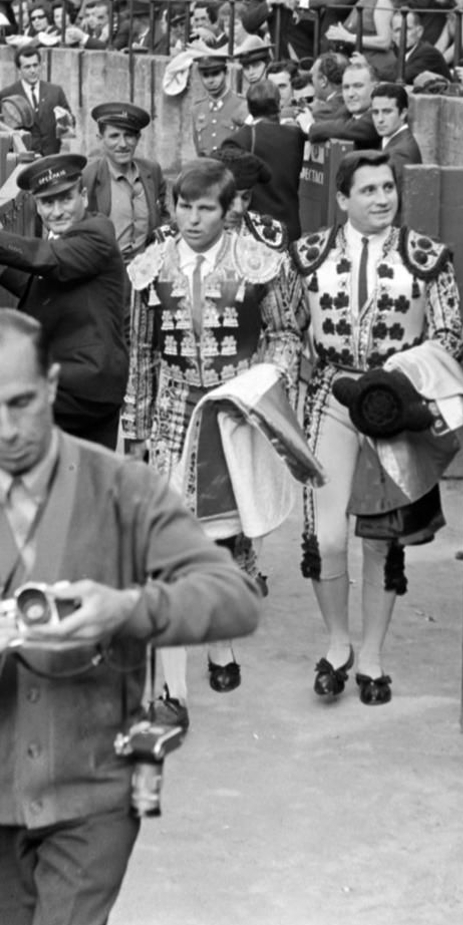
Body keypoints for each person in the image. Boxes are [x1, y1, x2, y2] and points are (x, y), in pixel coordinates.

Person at [0, 308, 262, 925]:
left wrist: (127, 609)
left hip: (97, 791)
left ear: (54, 386)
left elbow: (236, 598)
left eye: (22, 402)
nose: (7, 430)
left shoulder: (125, 490)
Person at [123, 159, 305, 717]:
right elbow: (142, 354)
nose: (193, 218)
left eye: (206, 208)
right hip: (175, 406)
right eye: (184, 206)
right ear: (171, 207)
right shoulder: (149, 267)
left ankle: (220, 641)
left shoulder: (259, 263)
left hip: (234, 407)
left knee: (228, 531)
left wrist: (259, 390)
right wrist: (135, 428)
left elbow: (285, 336)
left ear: (231, 212)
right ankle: (174, 668)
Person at [290, 150, 463, 707]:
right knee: (327, 536)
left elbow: (450, 335)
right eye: (368, 190)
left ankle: (372, 656)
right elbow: (288, 331)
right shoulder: (307, 255)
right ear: (343, 199)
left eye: (388, 188)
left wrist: (399, 379)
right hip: (332, 400)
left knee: (382, 540)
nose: (382, 199)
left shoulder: (427, 257)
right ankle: (337, 643)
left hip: (394, 408)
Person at [0, 154, 129, 450]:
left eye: (65, 199)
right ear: (37, 206)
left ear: (83, 197)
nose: (57, 211)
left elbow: (51, 259)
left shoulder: (98, 233)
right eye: (47, 203)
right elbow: (42, 284)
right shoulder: (63, 238)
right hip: (75, 383)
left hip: (84, 384)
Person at [223, 81, 309, 241]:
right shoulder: (296, 136)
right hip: (290, 229)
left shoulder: (238, 140)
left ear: (249, 107)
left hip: (255, 233)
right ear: (278, 104)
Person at [82, 102, 170, 259]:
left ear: (138, 138)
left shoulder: (152, 171)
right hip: (105, 271)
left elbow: (163, 216)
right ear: (100, 139)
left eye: (129, 135)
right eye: (114, 136)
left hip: (147, 269)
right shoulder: (88, 177)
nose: (122, 144)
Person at [0, 43, 72, 156]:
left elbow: (68, 129)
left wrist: (66, 121)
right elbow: (2, 132)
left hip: (52, 159)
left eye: (35, 65)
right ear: (18, 70)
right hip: (24, 160)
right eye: (27, 67)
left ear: (40, 66)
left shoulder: (55, 92)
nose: (33, 70)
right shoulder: (6, 95)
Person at [191, 49, 250, 157]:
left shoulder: (241, 105)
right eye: (206, 75)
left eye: (215, 74)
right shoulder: (197, 109)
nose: (210, 80)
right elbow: (197, 146)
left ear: (226, 73)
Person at [371, 81, 423, 166]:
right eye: (375, 112)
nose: (380, 119)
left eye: (387, 112)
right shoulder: (392, 141)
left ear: (403, 113)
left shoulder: (401, 154)